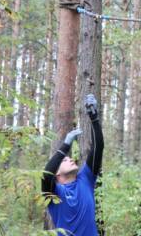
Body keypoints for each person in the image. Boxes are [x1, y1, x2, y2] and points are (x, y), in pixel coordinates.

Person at [41, 94, 104, 236]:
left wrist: (94, 118)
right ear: (56, 174)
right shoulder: (54, 194)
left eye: (69, 158)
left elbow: (98, 147)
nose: (70, 159)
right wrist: (65, 145)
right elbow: (46, 175)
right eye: (64, 160)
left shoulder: (86, 179)